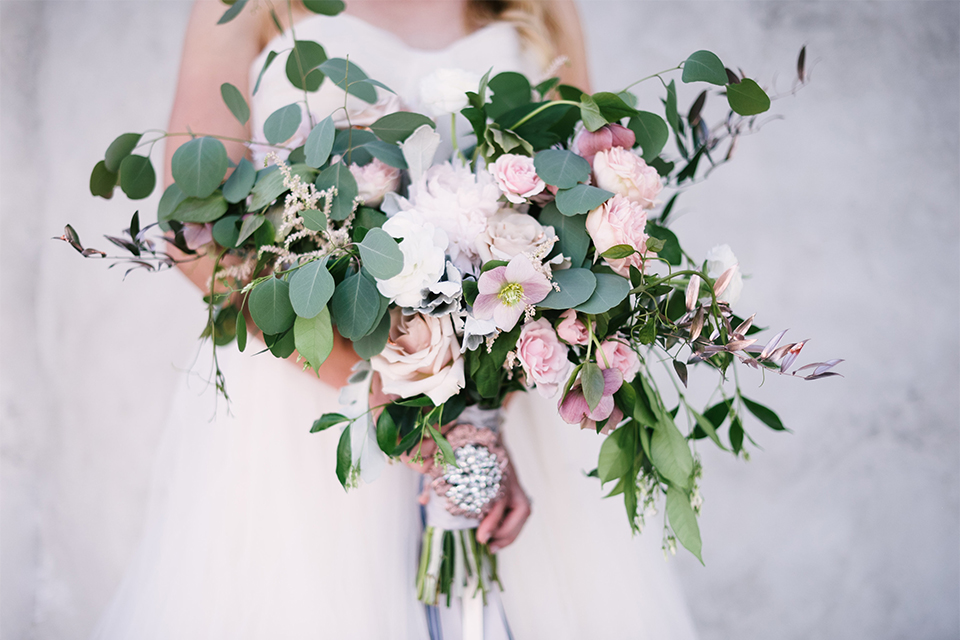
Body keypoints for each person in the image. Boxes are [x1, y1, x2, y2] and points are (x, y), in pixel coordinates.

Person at [92, 1, 699, 638]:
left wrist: (481, 408)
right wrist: (390, 405)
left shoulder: (541, 7)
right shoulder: (247, 6)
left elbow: (578, 200)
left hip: (494, 406)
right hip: (306, 402)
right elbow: (196, 234)